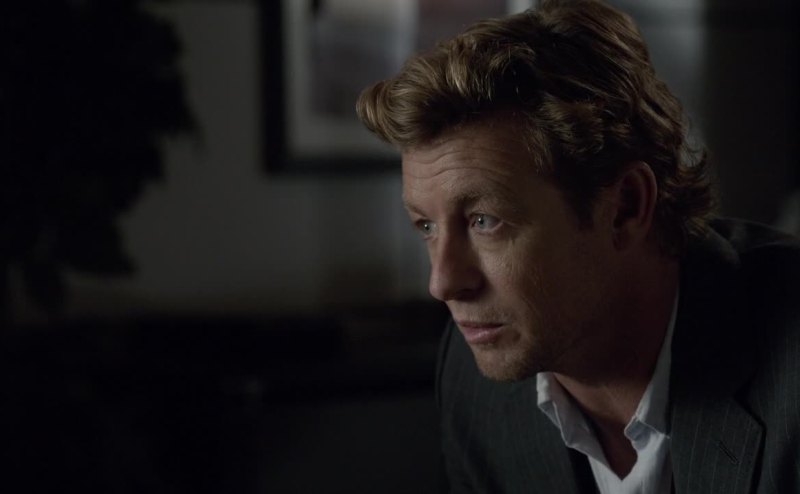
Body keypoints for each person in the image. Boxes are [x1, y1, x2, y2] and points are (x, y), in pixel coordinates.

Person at [356, 0, 800, 492]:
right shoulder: (475, 379)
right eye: (426, 226)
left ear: (625, 207)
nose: (442, 283)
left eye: (484, 221)